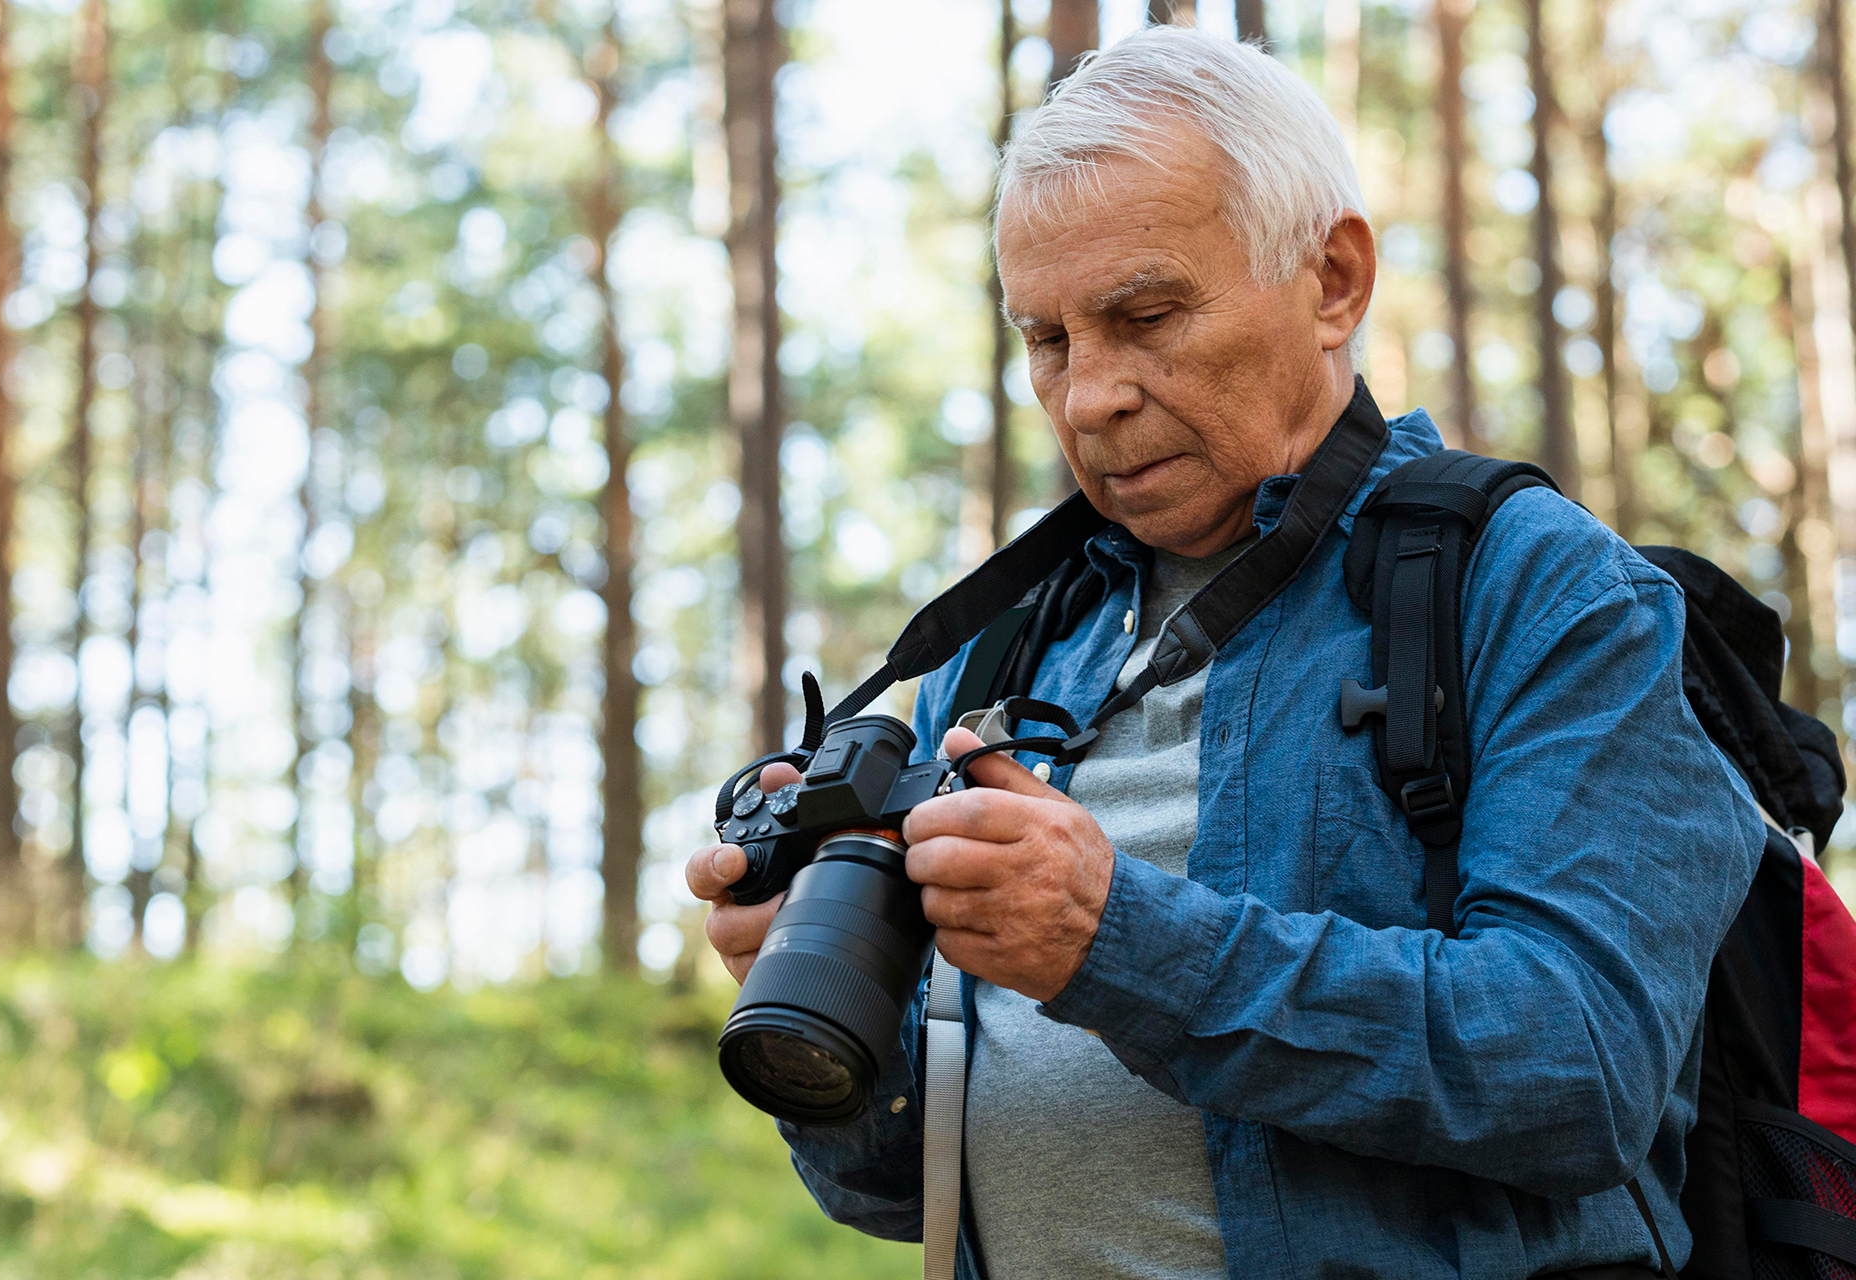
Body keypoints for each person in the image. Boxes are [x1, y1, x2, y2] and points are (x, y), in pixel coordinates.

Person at [686, 25, 1763, 1280]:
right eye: (1048, 339)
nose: (1090, 396)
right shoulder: (1002, 648)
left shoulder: (1537, 586)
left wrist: (1116, 940)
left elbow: (1579, 1066)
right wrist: (820, 1010)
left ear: (1334, 280)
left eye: (1146, 316)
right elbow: (897, 1186)